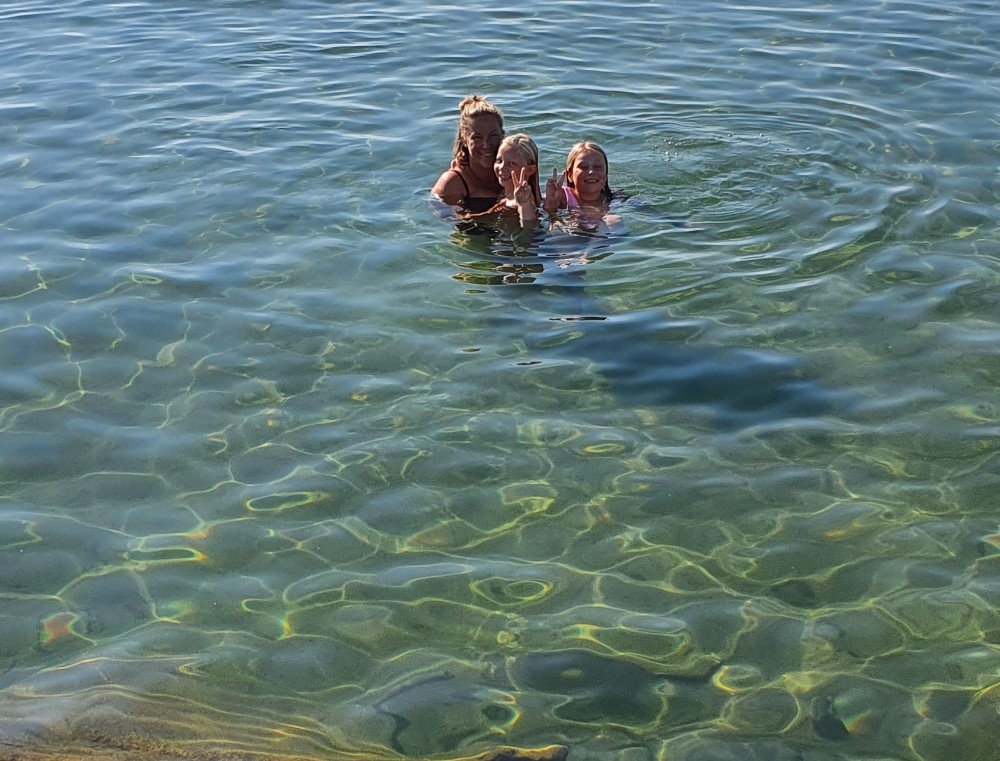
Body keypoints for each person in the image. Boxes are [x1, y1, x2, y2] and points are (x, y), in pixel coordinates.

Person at [432, 95, 505, 214]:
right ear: (464, 140)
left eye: (493, 136)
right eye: (477, 138)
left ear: (502, 135)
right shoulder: (452, 183)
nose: (486, 144)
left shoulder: (513, 169)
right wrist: (495, 211)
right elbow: (446, 218)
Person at [466, 133, 542, 225]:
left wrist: (524, 204)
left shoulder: (523, 201)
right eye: (499, 161)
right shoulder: (508, 196)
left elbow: (530, 226)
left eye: (512, 164)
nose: (502, 167)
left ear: (529, 170)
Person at [543, 141, 613, 214]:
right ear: (570, 175)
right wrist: (550, 206)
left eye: (597, 167)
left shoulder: (613, 198)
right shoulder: (562, 197)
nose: (591, 171)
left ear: (606, 174)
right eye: (583, 167)